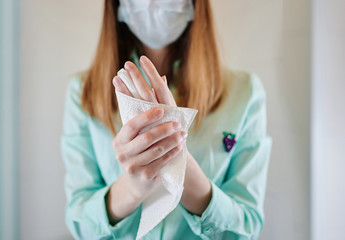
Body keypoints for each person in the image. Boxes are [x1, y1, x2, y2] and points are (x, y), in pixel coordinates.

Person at [61, 0, 272, 239]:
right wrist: (132, 189)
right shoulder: (84, 93)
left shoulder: (244, 93)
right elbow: (81, 225)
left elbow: (247, 227)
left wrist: (178, 163)